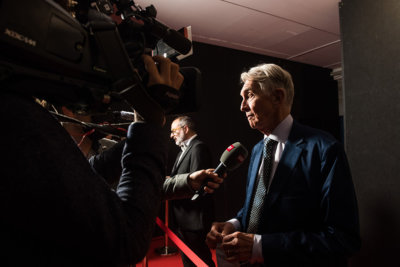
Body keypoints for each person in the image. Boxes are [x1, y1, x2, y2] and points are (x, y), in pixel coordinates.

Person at [0, 53, 222, 267]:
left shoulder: (90, 146)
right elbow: (126, 237)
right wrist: (148, 123)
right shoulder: (22, 127)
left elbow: (95, 175)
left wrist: (185, 179)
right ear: (67, 107)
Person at [206, 63, 361, 267]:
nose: (242, 106)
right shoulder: (257, 150)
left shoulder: (324, 149)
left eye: (249, 95)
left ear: (277, 97)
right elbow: (256, 208)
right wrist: (233, 224)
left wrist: (261, 246)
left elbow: (342, 239)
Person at [167, 115, 216, 267]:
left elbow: (198, 186)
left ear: (185, 129)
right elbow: (181, 178)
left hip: (193, 220)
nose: (171, 135)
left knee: (201, 261)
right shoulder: (183, 149)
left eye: (174, 131)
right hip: (182, 219)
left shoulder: (198, 148)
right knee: (188, 261)